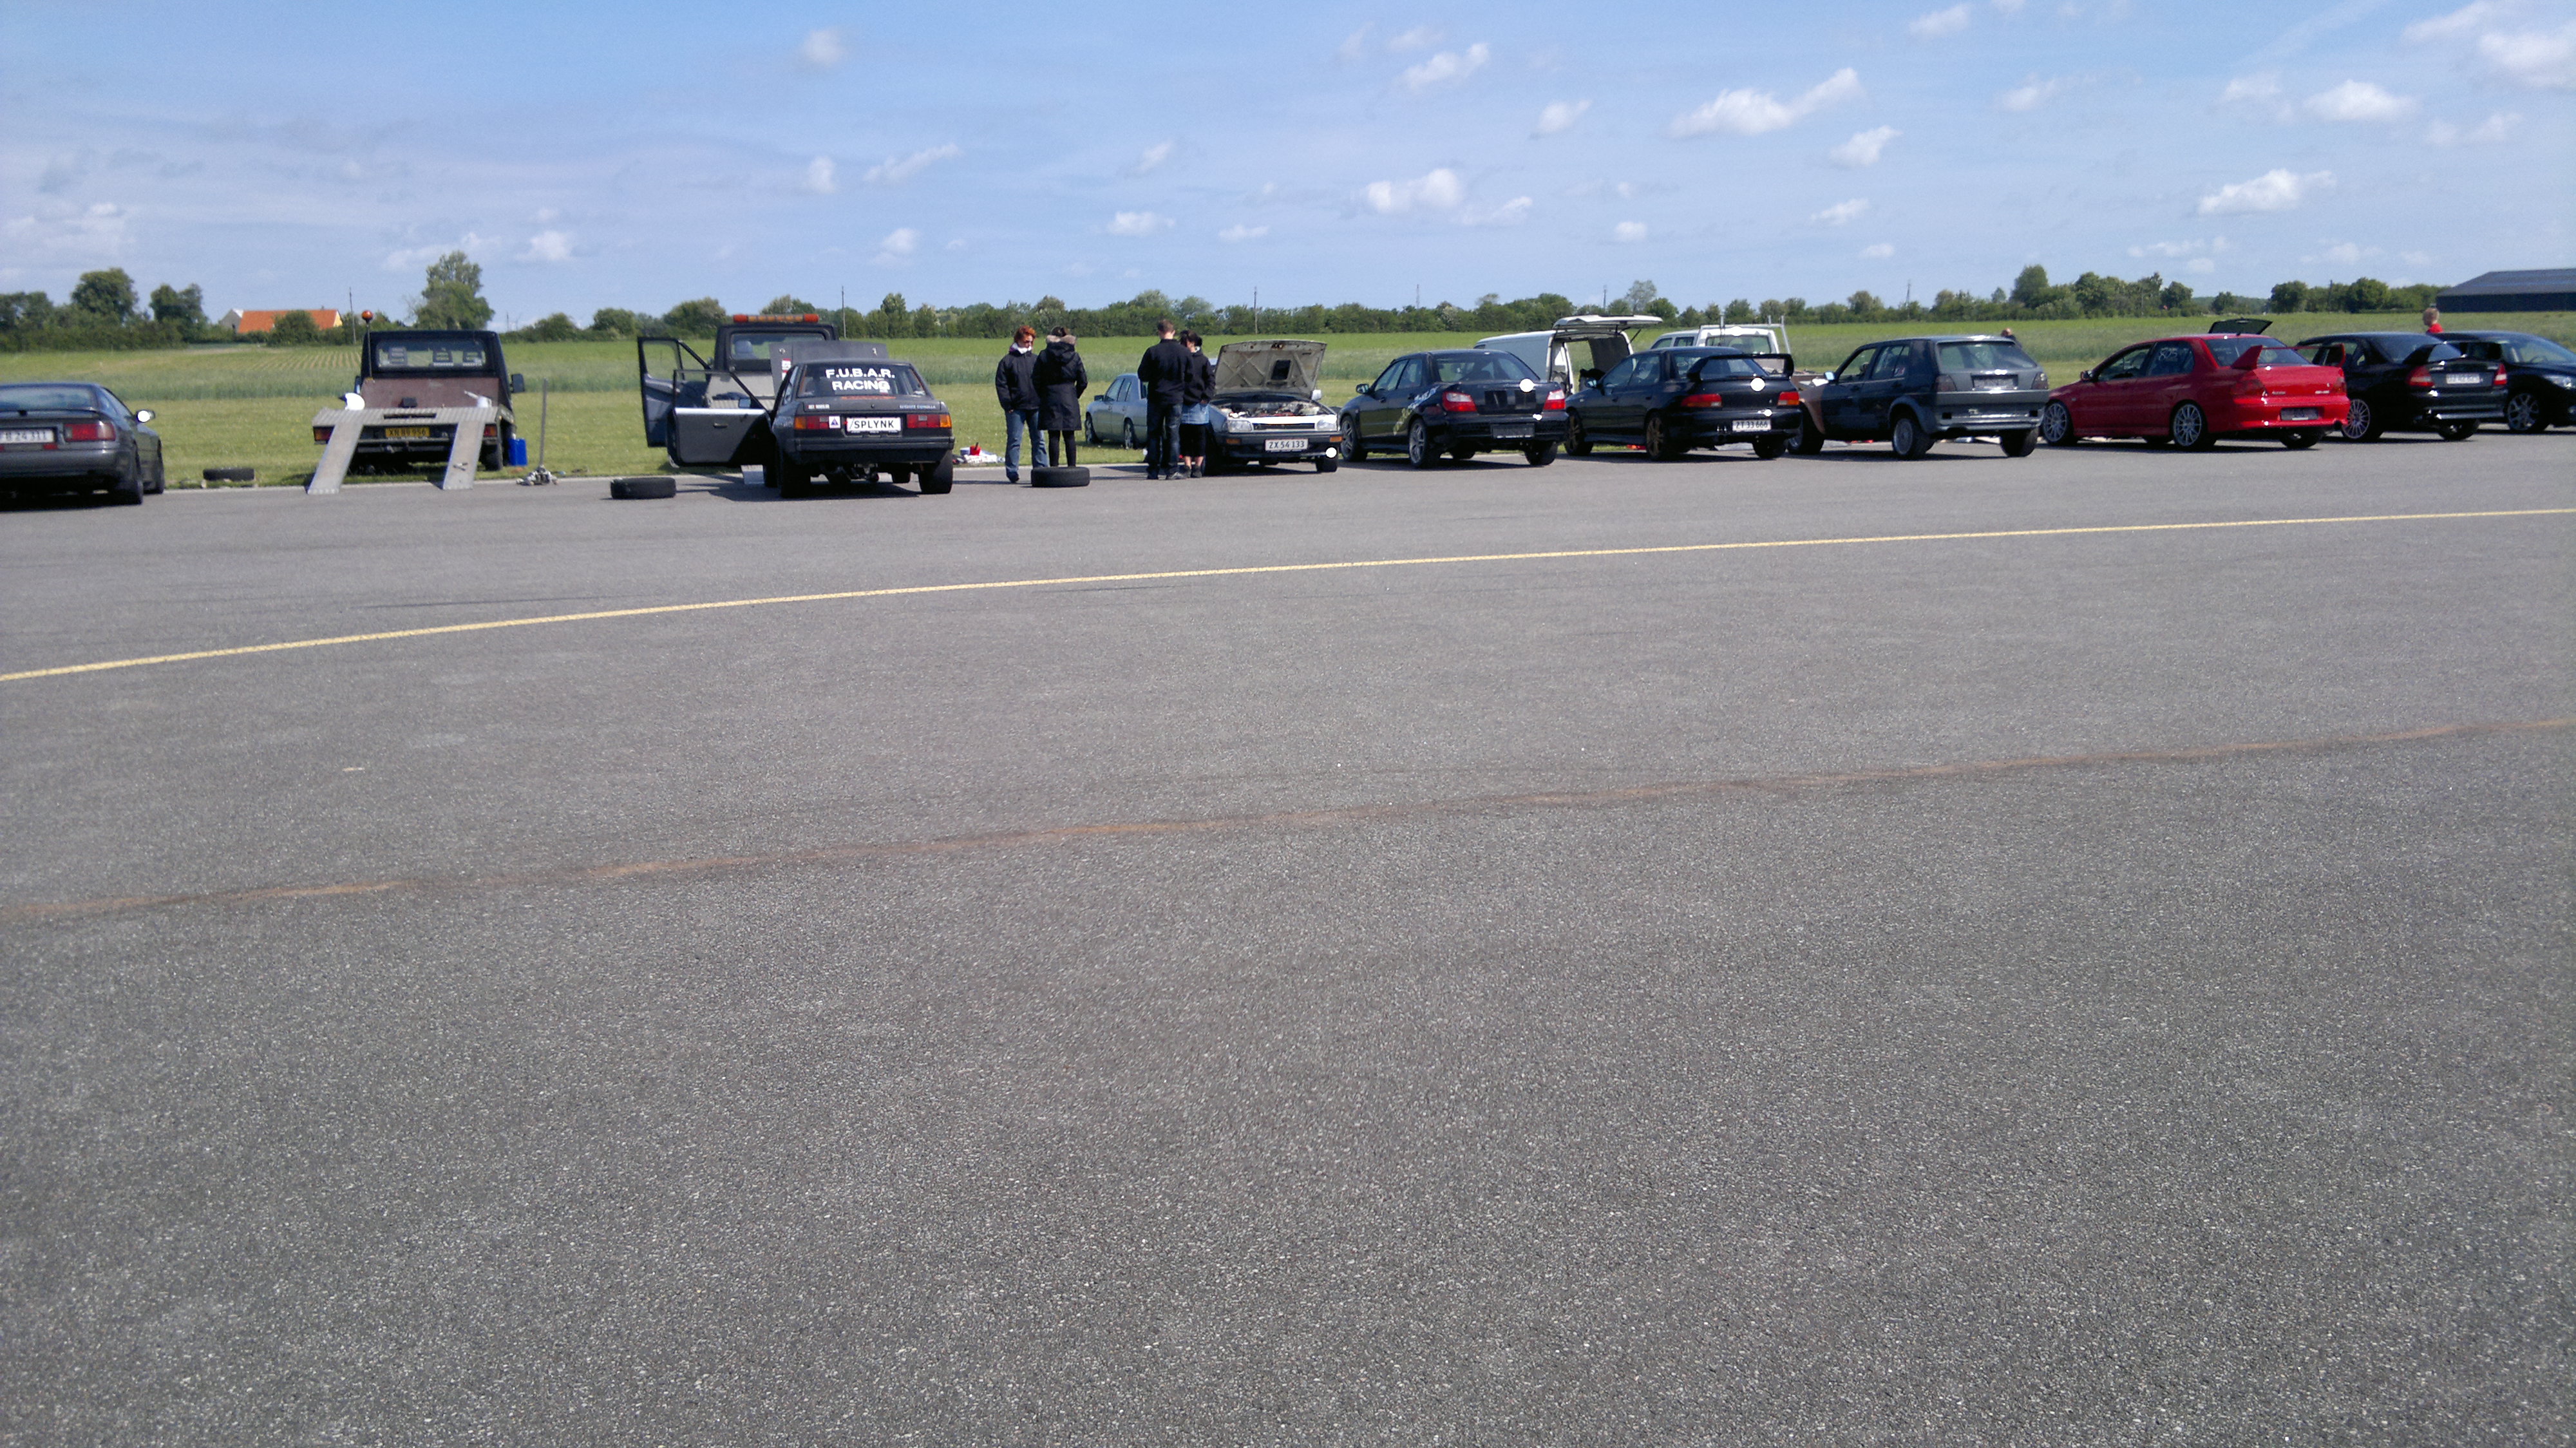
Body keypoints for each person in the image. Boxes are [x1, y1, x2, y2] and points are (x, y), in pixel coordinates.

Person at [1137, 318, 1191, 479]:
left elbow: (1143, 375)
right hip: (1176, 398)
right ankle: (1172, 470)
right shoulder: (1184, 352)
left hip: (1156, 397)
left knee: (1154, 434)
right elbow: (1190, 375)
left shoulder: (1152, 352)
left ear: (1159, 332)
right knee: (1173, 434)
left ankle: (1153, 470)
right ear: (1173, 332)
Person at [994, 325, 1046, 481]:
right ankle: (1012, 471)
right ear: (1018, 340)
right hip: (1015, 408)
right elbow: (1001, 385)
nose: (1029, 345)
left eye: (1031, 342)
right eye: (1026, 342)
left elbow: (1044, 382)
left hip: (1036, 407)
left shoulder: (1036, 360)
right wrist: (1007, 404)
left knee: (1039, 440)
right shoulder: (1007, 361)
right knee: (1015, 440)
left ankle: (1041, 469)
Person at [1034, 325, 1087, 471]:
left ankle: (1054, 469)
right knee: (1069, 435)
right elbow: (1083, 381)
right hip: (1069, 397)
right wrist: (1074, 395)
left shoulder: (1044, 355)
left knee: (1053, 435)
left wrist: (1044, 395)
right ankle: (1072, 468)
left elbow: (1036, 379)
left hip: (1050, 397)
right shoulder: (1074, 356)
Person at [1177, 330, 1217, 477]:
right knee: (1185, 437)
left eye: (1185, 342)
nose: (1183, 344)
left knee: (1200, 437)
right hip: (1183, 402)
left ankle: (1198, 467)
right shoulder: (1180, 359)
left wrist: (1206, 396)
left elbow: (1211, 380)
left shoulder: (1203, 360)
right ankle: (1187, 466)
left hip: (1199, 404)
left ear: (1193, 343)